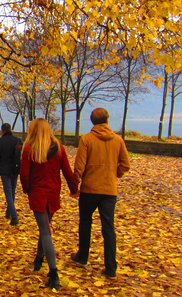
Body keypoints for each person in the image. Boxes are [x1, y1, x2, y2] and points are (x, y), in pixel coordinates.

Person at [71, 108, 131, 279]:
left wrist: (76, 185)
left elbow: (79, 166)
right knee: (108, 228)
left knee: (85, 223)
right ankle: (111, 267)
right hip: (109, 190)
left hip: (89, 189)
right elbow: (126, 164)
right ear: (107, 120)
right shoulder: (118, 140)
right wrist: (114, 174)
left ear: (92, 122)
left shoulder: (87, 139)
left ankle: (82, 256)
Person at [20, 118, 78, 290]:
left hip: (38, 194)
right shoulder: (59, 148)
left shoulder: (29, 149)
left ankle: (54, 274)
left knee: (45, 231)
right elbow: (67, 171)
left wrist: (27, 188)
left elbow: (24, 175)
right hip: (52, 193)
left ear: (34, 130)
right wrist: (74, 188)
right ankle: (39, 259)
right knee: (44, 227)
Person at [0, 122, 21, 226]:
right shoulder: (17, 140)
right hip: (15, 169)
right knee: (12, 191)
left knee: (8, 192)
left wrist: (1, 165)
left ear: (2, 131)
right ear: (11, 130)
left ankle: (14, 216)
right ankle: (8, 213)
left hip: (5, 170)